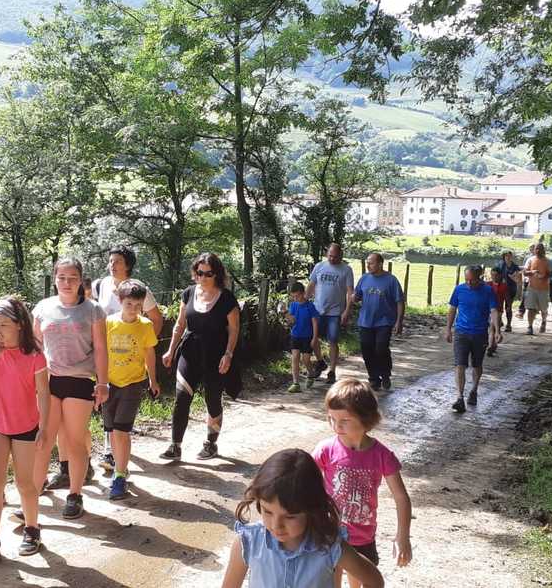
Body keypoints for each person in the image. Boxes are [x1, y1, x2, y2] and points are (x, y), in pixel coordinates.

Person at [220, 449, 384, 588]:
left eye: (290, 516)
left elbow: (374, 580)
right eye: (267, 511)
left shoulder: (330, 546)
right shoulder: (248, 542)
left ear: (312, 509)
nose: (276, 525)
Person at [0, 296, 49, 566]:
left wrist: (44, 427)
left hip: (26, 426)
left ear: (19, 325)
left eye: (3, 325)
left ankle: (32, 529)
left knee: (24, 482)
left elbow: (43, 394)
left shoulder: (35, 355)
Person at [313, 381, 412, 586]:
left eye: (344, 420)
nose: (336, 426)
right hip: (331, 533)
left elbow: (401, 497)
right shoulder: (326, 450)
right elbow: (304, 479)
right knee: (331, 579)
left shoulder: (382, 455)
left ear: (366, 418)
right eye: (331, 418)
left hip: (363, 536)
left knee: (364, 578)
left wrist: (402, 537)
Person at [32, 257, 109, 520]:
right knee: (43, 440)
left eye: (72, 278)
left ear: (80, 280)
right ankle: (32, 495)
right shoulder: (42, 308)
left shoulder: (93, 310)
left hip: (80, 380)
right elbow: (34, 347)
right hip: (48, 381)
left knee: (75, 440)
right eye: (62, 277)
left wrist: (102, 382)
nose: (66, 282)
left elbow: (101, 348)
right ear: (54, 279)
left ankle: (75, 495)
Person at [160, 252, 240, 461]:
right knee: (181, 397)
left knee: (212, 400)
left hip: (216, 354)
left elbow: (234, 330)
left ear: (217, 274)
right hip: (190, 351)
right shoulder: (188, 293)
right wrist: (170, 349)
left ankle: (211, 443)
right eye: (199, 272)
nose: (202, 277)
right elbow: (180, 324)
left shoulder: (227, 298)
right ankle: (175, 445)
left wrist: (228, 354)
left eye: (208, 273)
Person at [93, 245, 164, 473]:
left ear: (128, 265)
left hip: (131, 366)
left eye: (118, 262)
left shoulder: (139, 289)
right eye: (110, 261)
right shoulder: (102, 284)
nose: (112, 265)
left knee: (121, 425)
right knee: (109, 414)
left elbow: (156, 318)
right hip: (108, 359)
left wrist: (143, 342)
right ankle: (110, 452)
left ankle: (117, 463)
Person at [103, 279, 162, 500]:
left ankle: (119, 477)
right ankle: (121, 466)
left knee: (122, 430)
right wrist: (97, 381)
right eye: (129, 304)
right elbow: (99, 351)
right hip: (110, 383)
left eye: (138, 305)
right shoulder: (108, 322)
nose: (134, 309)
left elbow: (149, 353)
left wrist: (153, 380)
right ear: (120, 301)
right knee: (111, 429)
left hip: (133, 384)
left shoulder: (145, 326)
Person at [444, 266, 501, 414]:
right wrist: (448, 329)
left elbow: (494, 311)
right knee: (460, 364)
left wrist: (497, 331)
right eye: (467, 280)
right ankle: (459, 397)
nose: (469, 283)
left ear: (479, 277)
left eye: (472, 280)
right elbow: (452, 309)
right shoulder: (459, 289)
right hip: (461, 332)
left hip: (480, 333)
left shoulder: (488, 291)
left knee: (477, 364)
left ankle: (474, 390)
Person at [353, 253, 404, 391]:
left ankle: (385, 374)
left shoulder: (391, 280)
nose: (368, 265)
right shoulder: (364, 278)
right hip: (365, 321)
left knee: (381, 349)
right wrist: (354, 298)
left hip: (384, 321)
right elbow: (357, 296)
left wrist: (399, 321)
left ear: (380, 264)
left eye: (371, 263)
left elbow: (400, 302)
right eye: (367, 263)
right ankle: (374, 378)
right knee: (367, 350)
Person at [308, 243, 355, 384]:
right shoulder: (319, 266)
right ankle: (320, 362)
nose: (332, 259)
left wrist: (347, 310)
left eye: (335, 256)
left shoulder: (346, 270)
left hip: (335, 312)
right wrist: (302, 303)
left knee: (333, 340)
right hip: (317, 309)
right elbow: (311, 285)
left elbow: (350, 292)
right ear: (326, 254)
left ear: (341, 255)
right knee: (312, 337)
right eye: (330, 256)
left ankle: (332, 371)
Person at [285, 281, 320, 393]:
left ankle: (311, 374)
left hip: (307, 337)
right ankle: (295, 383)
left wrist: (314, 338)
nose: (296, 298)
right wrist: (285, 314)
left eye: (297, 296)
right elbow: (292, 321)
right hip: (295, 335)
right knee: (295, 357)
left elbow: (314, 322)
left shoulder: (310, 306)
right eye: (293, 296)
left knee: (306, 359)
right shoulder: (293, 305)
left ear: (303, 293)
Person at [523, 243, 552, 335]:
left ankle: (544, 321)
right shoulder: (530, 260)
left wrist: (544, 276)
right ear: (534, 250)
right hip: (532, 288)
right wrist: (532, 272)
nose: (538, 251)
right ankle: (530, 327)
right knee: (531, 308)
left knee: (543, 308)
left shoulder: (548, 261)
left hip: (544, 289)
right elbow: (524, 272)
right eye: (536, 249)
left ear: (543, 250)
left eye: (540, 249)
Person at [496, 251, 522, 331]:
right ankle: (499, 321)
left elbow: (519, 279)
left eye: (509, 256)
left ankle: (509, 325)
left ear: (511, 257)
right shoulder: (500, 265)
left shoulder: (515, 267)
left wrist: (514, 278)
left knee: (508, 307)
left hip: (511, 289)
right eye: (506, 256)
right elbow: (495, 274)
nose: (508, 257)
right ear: (503, 257)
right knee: (498, 306)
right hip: (500, 288)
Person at [486, 267, 509, 357]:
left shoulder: (504, 286)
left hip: (498, 310)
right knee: (492, 328)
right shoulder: (487, 285)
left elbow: (507, 298)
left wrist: (508, 307)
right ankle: (493, 344)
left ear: (500, 275)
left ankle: (490, 346)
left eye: (496, 275)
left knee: (492, 327)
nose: (494, 277)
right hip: (488, 309)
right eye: (492, 275)